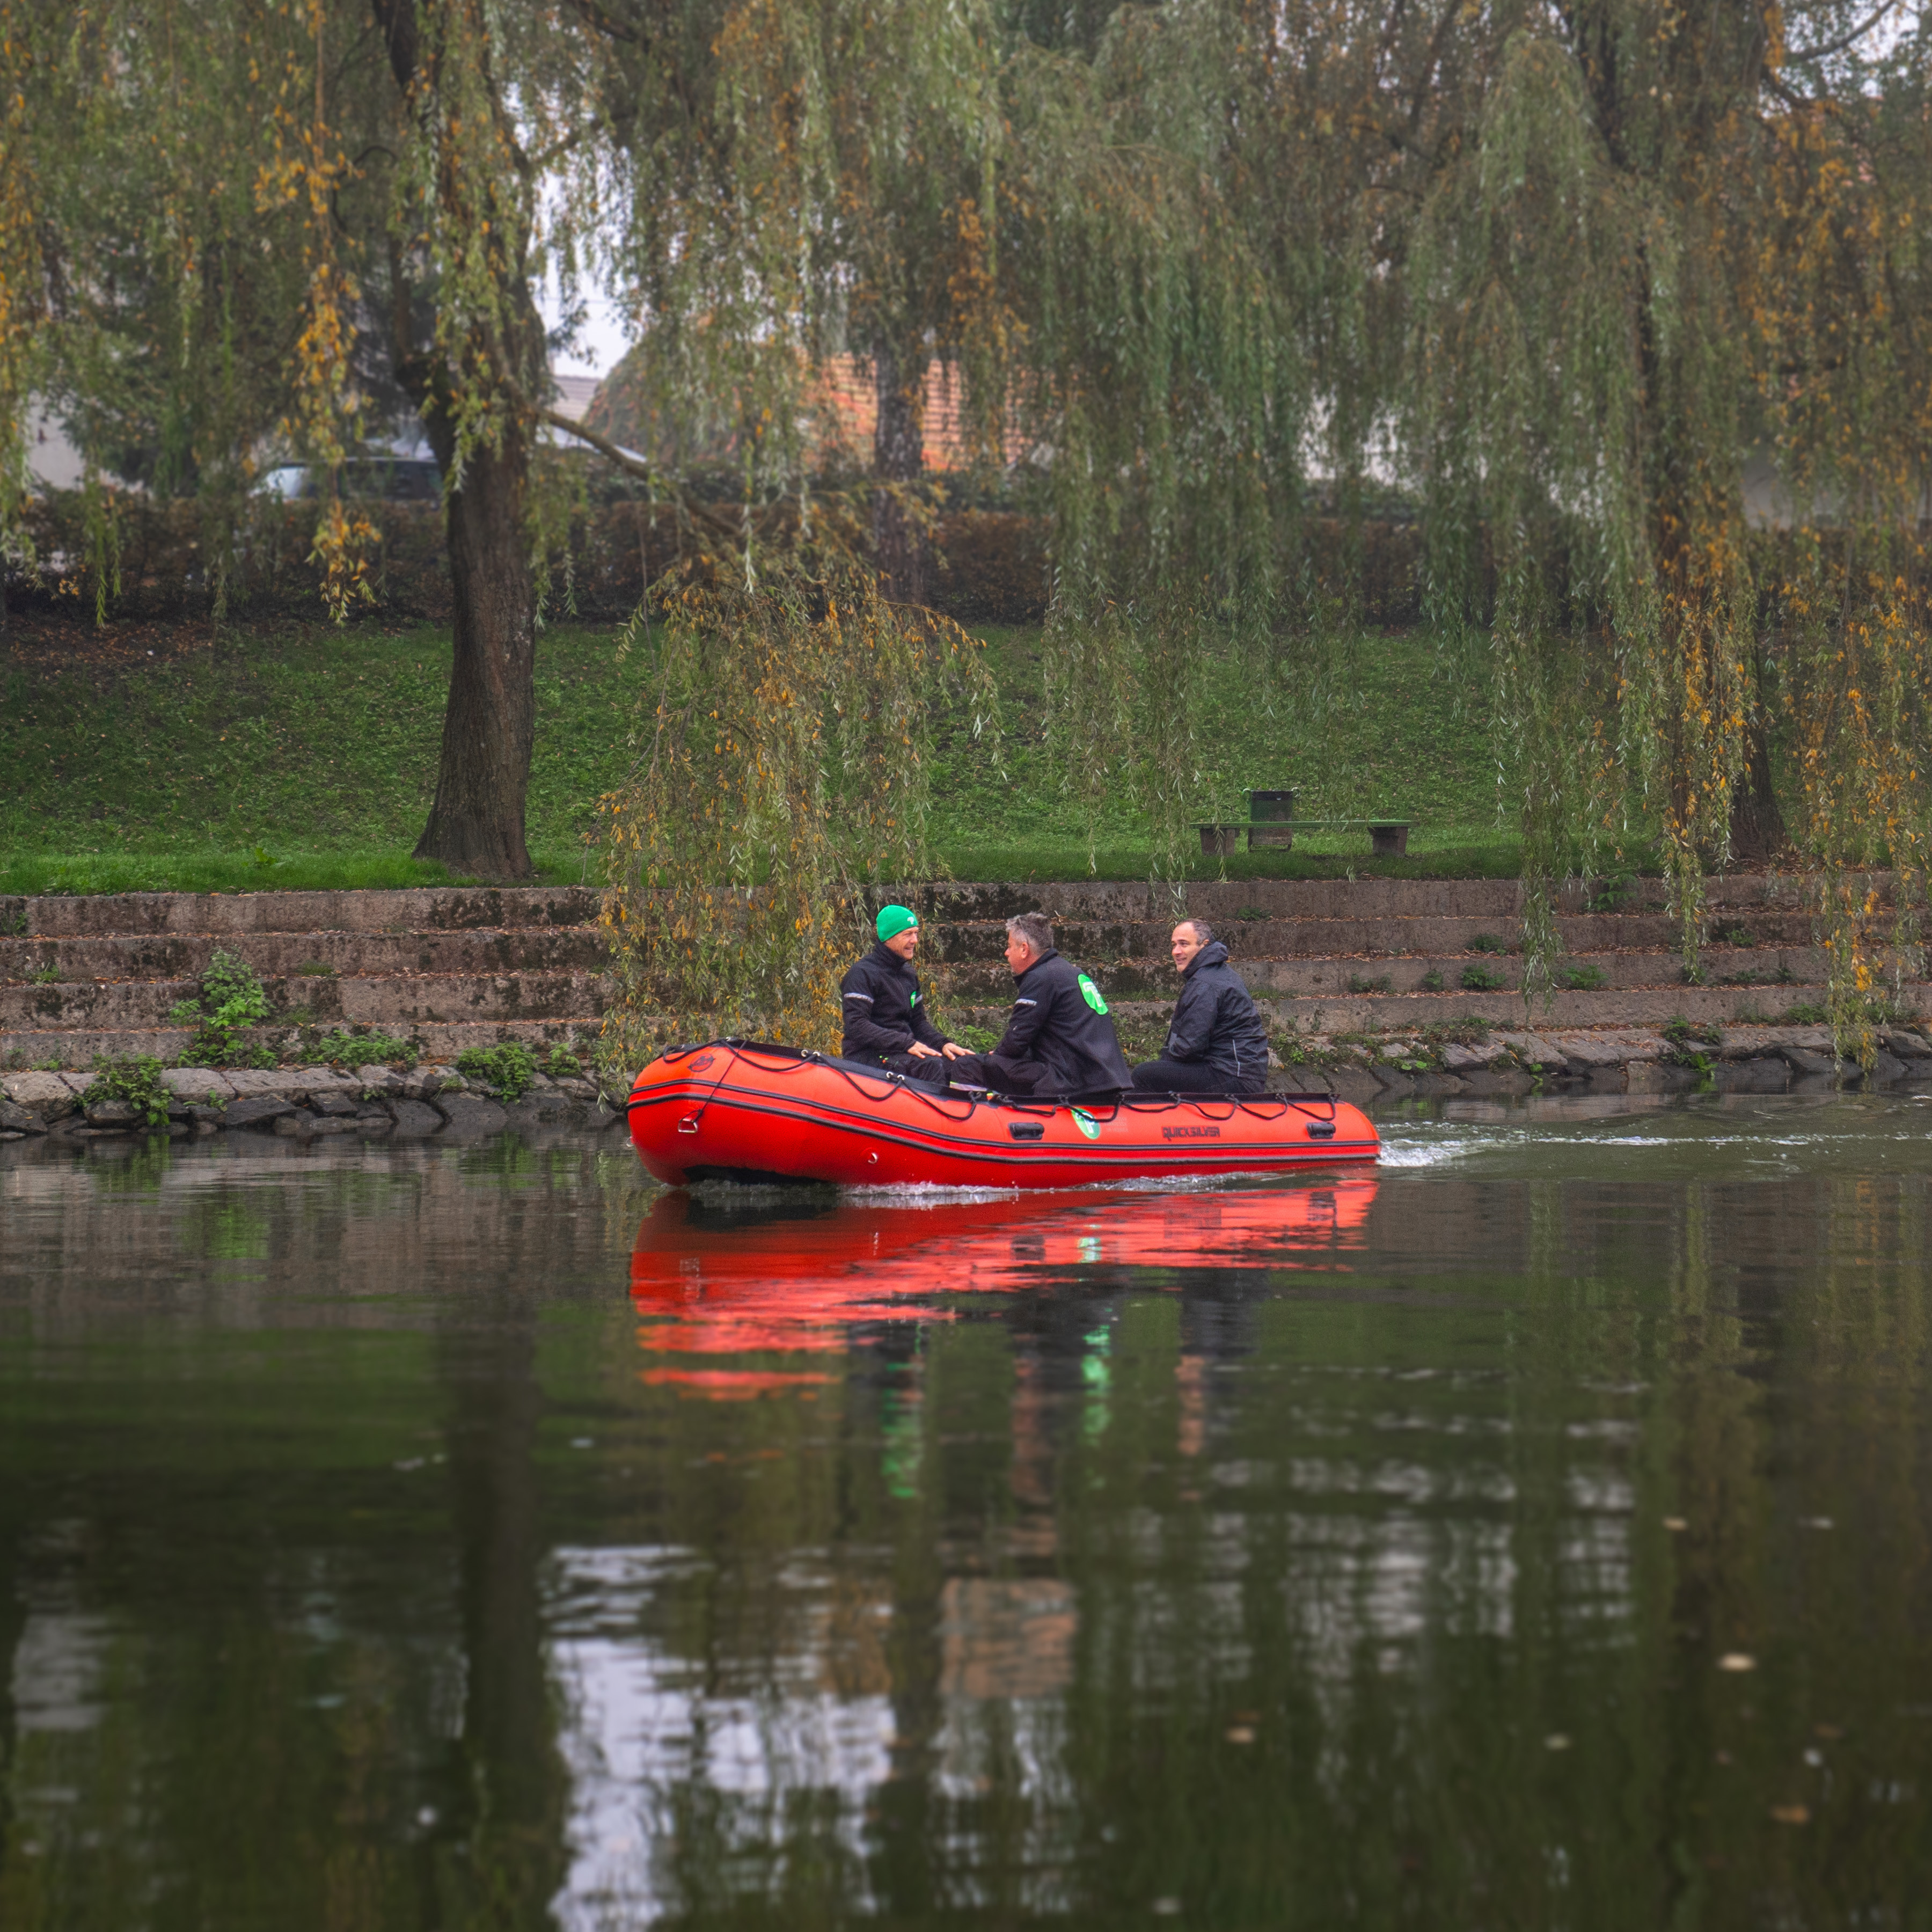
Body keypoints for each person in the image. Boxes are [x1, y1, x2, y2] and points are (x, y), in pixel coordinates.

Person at [952, 911, 1132, 1095]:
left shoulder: (1041, 977)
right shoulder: (1070, 972)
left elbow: (1017, 1040)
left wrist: (998, 1056)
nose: (1006, 953)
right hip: (1103, 1078)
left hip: (1069, 1082)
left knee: (968, 1066)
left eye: (1009, 947)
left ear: (1024, 949)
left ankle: (973, 1120)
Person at [1130, 918, 1271, 1094]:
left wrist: (1165, 1065)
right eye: (1174, 945)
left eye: (1184, 944)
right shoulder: (1212, 974)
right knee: (1159, 1072)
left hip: (1234, 1075)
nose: (1176, 951)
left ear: (1204, 946)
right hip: (1235, 1071)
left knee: (1143, 1075)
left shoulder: (1206, 984)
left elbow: (1190, 1047)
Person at [840, 904, 976, 1084]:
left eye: (916, 933)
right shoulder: (862, 974)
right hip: (868, 1055)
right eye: (908, 934)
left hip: (901, 1050)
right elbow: (856, 1026)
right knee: (931, 1066)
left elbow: (918, 1023)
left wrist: (943, 1044)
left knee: (964, 1064)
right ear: (888, 937)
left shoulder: (908, 974)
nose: (915, 940)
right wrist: (906, 1043)